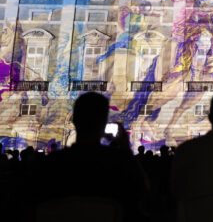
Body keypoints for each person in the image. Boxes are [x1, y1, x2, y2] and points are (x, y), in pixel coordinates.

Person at [37, 92, 150, 221]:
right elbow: (143, 193)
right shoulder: (118, 164)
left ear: (74, 120)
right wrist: (125, 149)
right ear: (103, 124)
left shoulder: (51, 164)